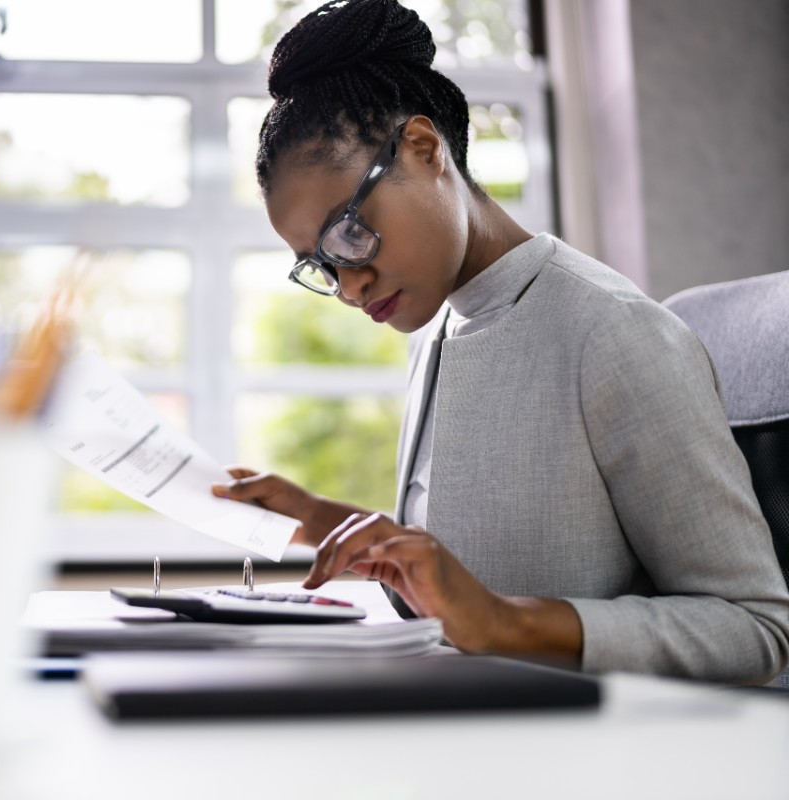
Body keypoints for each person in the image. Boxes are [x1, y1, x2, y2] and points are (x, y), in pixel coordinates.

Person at [212, 0, 789, 683]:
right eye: (322, 262)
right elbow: (467, 571)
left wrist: (506, 622)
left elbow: (756, 628)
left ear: (425, 151)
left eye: (347, 232)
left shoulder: (613, 333)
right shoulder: (439, 329)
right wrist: (316, 516)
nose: (347, 285)